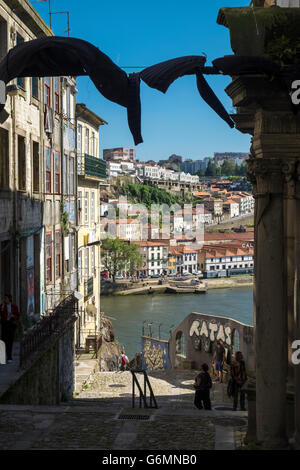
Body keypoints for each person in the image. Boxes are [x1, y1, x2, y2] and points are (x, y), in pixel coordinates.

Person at [0, 294, 19, 363]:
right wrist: (1, 309)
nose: (5, 300)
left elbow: (17, 315)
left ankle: (9, 357)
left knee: (10, 342)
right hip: (4, 324)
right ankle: (2, 357)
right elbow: (1, 315)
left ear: (9, 299)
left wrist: (13, 315)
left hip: (11, 325)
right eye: (4, 298)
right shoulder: (2, 306)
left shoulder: (14, 306)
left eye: (6, 298)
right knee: (3, 341)